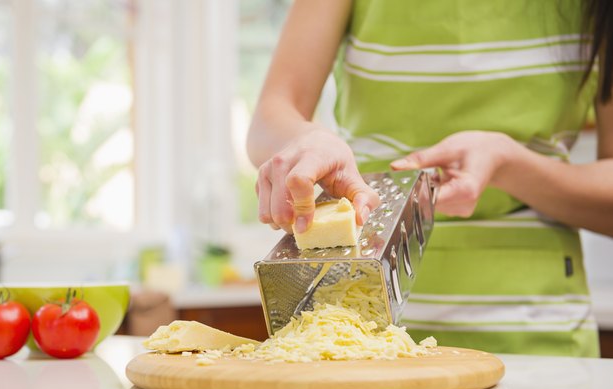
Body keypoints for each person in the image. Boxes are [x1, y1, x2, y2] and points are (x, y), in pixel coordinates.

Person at [247, 0, 613, 357]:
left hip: (540, 343)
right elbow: (271, 115)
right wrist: (305, 140)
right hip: (363, 333)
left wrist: (510, 165)